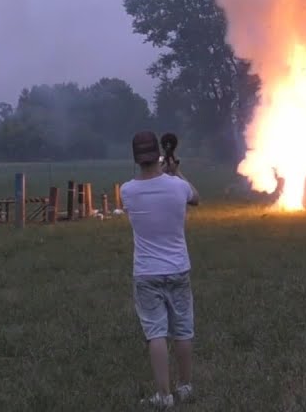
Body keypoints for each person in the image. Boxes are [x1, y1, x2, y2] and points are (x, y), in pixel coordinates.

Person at [121, 131, 201, 408]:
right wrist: (176, 172)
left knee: (156, 332)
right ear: (158, 154)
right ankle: (186, 386)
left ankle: (164, 395)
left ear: (136, 158)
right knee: (183, 330)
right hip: (178, 267)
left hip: (146, 272)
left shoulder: (127, 191)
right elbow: (195, 197)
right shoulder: (178, 186)